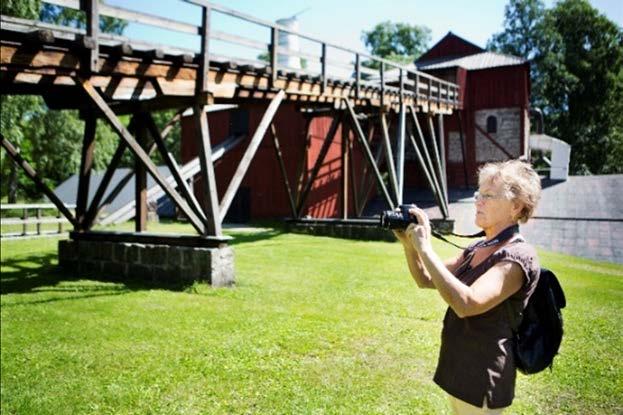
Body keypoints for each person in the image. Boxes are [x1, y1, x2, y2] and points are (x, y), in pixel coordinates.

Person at [394, 159, 542, 414]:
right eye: (478, 194)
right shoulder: (478, 248)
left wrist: (425, 247)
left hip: (483, 377)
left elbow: (467, 303)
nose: (478, 201)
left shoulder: (518, 256)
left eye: (488, 196)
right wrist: (410, 246)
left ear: (516, 207)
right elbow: (426, 279)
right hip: (460, 369)